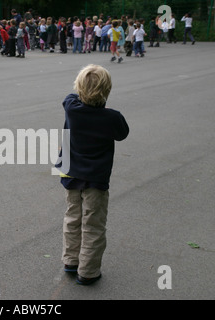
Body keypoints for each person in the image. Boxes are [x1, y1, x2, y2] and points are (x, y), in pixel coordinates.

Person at [57, 64, 129, 285]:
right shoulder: (112, 118)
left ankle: (71, 260)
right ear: (106, 91)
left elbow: (71, 96)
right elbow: (122, 134)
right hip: (96, 178)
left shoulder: (71, 106)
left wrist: (85, 90)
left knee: (72, 217)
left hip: (70, 173)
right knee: (93, 223)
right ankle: (88, 271)